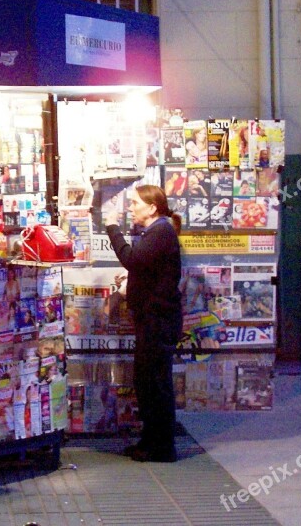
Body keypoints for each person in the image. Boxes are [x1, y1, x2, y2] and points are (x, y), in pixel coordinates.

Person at [104, 184, 182, 463]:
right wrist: (131, 287)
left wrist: (112, 226)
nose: (131, 207)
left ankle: (162, 448)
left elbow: (131, 259)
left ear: (152, 208)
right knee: (148, 382)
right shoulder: (158, 231)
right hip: (154, 320)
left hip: (158, 322)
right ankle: (152, 442)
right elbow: (148, 270)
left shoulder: (161, 232)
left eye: (136, 203)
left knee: (155, 384)